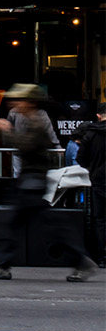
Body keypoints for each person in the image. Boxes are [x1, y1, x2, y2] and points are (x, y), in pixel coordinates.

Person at [0, 84, 97, 282]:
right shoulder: (28, 119)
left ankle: (80, 261)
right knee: (22, 223)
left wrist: (7, 130)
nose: (15, 104)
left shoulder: (38, 121)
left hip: (33, 181)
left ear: (30, 102)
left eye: (19, 100)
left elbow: (25, 146)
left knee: (40, 225)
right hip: (29, 180)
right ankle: (1, 264)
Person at [73, 102, 106, 263]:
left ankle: (102, 257)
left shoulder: (91, 134)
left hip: (99, 181)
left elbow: (80, 159)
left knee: (100, 220)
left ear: (98, 116)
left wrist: (92, 168)